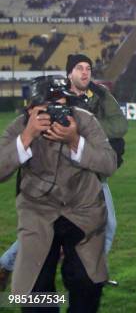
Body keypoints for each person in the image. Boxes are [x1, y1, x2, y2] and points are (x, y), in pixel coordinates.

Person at [0, 54, 127, 289]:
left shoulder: (100, 95)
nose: (85, 72)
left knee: (107, 224)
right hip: (52, 179)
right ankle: (8, 264)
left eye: (88, 68)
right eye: (79, 68)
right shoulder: (52, 96)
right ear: (70, 74)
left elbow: (120, 125)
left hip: (89, 174)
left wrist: (89, 128)